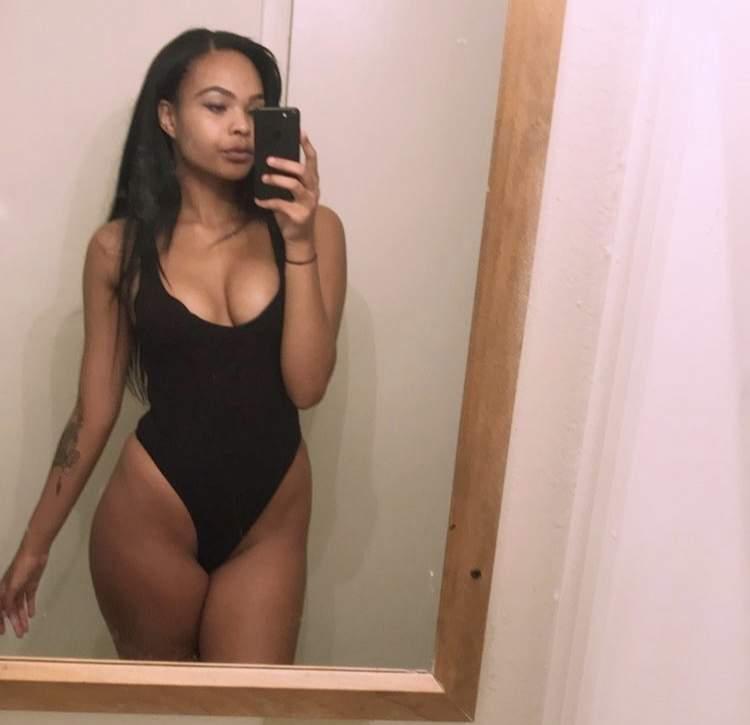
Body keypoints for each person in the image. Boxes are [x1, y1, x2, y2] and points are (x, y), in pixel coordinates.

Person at [0, 28, 347, 664]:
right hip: (151, 516)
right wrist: (34, 544)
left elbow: (307, 385)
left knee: (250, 707)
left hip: (268, 523)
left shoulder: (314, 229)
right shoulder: (118, 249)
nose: (239, 126)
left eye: (255, 109)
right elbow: (92, 413)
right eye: (216, 106)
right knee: (165, 708)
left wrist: (298, 244)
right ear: (167, 117)